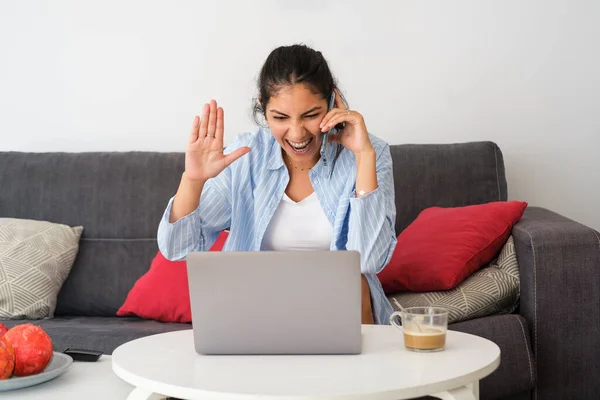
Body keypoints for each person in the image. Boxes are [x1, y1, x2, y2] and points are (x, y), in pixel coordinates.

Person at [157, 44, 397, 324]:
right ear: (263, 107)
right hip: (254, 314)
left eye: (310, 115)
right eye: (280, 118)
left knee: (355, 284)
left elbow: (369, 260)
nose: (297, 133)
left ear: (332, 102)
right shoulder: (246, 156)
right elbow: (176, 249)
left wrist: (363, 156)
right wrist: (193, 180)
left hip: (340, 318)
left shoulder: (370, 152)